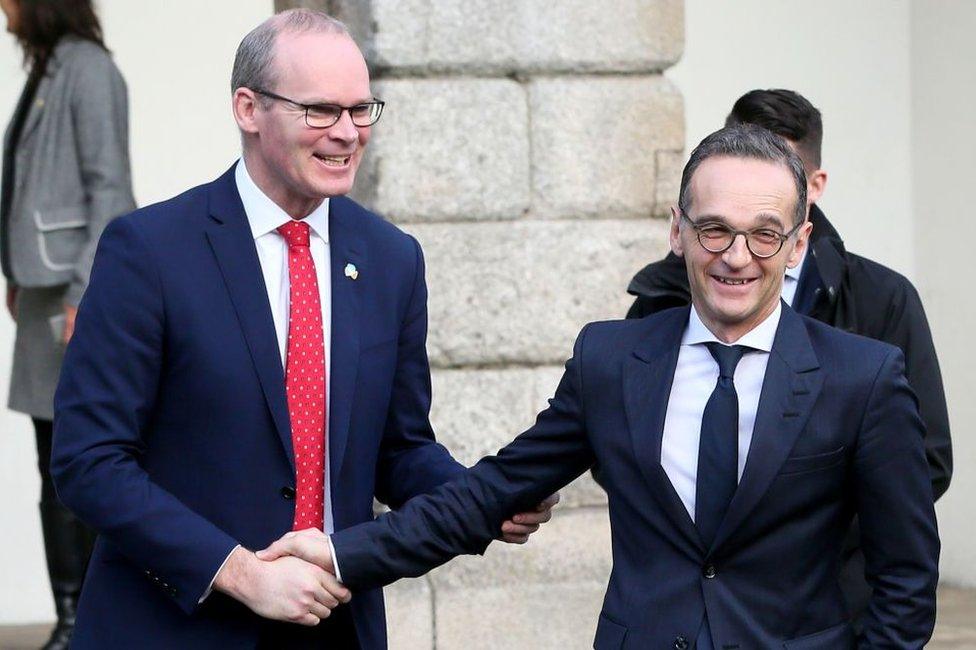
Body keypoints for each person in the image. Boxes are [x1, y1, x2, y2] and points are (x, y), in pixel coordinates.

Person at [261, 125, 940, 649]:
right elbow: (489, 493)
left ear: (798, 244)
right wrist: (341, 553)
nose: (738, 257)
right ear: (677, 231)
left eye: (765, 236)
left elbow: (905, 579)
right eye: (715, 230)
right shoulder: (611, 360)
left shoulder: (865, 378)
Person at [50, 9, 554, 649]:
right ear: (248, 108)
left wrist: (484, 499)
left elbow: (396, 449)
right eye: (320, 111)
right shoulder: (148, 251)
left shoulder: (391, 258)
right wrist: (237, 571)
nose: (347, 133)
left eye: (361, 109)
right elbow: (88, 461)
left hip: (333, 626)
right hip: (179, 625)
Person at [624, 88, 951, 622]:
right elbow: (619, 436)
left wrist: (799, 533)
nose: (737, 254)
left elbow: (926, 460)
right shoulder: (663, 293)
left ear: (812, 189)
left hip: (828, 604)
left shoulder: (882, 299)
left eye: (780, 171)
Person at [0, 0, 135, 647]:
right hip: (40, 295)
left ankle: (85, 619)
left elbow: (109, 190)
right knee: (48, 462)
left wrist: (86, 291)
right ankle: (72, 614)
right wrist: (18, 276)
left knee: (72, 462)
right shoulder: (53, 69)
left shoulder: (88, 71)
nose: (4, 8)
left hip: (70, 299)